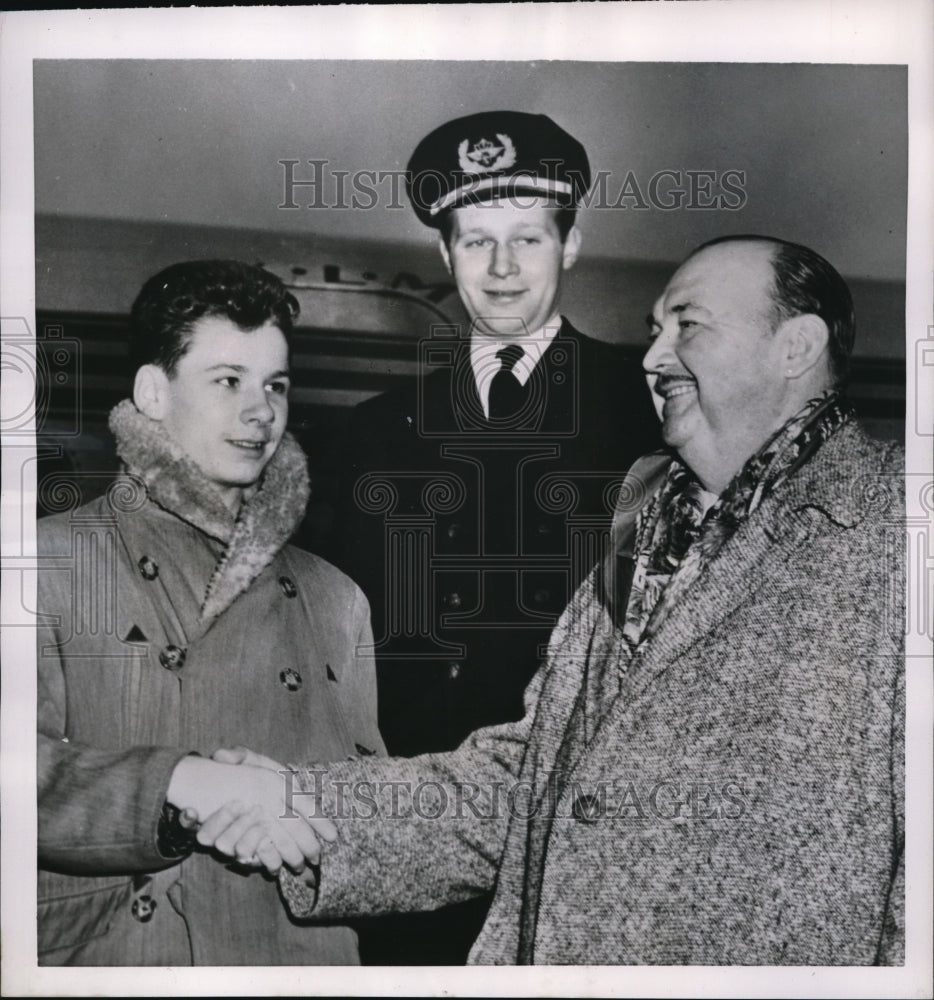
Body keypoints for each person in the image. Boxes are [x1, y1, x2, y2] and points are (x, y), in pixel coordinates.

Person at [203, 236, 904, 965]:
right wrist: (305, 806)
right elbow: (529, 778)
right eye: (652, 330)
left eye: (687, 326)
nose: (653, 358)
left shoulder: (903, 530)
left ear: (797, 345)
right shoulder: (645, 523)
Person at [334, 111, 660, 962]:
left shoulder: (654, 414)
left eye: (528, 239)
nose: (503, 268)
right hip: (408, 841)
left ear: (573, 243)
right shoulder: (369, 432)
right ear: (445, 257)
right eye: (477, 241)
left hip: (583, 830)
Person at [37, 260, 383, 966]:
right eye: (228, 381)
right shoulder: (46, 564)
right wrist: (181, 784)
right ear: (153, 392)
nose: (262, 412)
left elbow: (369, 804)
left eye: (275, 386)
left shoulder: (336, 597)